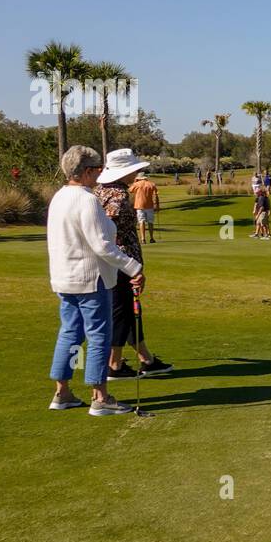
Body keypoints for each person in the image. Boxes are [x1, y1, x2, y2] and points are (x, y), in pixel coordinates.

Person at [46, 145, 144, 416]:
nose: (100, 173)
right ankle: (100, 397)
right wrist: (133, 268)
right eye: (97, 169)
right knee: (99, 334)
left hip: (65, 278)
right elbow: (102, 245)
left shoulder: (59, 197)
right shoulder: (87, 200)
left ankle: (62, 392)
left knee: (70, 332)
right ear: (87, 172)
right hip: (91, 279)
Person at [96, 149, 173, 380]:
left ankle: (146, 359)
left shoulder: (100, 190)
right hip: (122, 262)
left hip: (114, 260)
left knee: (127, 311)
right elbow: (107, 227)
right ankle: (114, 364)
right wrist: (130, 264)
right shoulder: (118, 196)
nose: (136, 173)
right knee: (122, 311)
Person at [128, 171, 160, 244]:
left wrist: (134, 182)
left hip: (139, 205)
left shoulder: (136, 184)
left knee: (141, 221)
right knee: (150, 222)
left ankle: (143, 239)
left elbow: (130, 190)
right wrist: (157, 205)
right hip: (149, 206)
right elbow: (156, 195)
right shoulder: (151, 184)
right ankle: (151, 238)